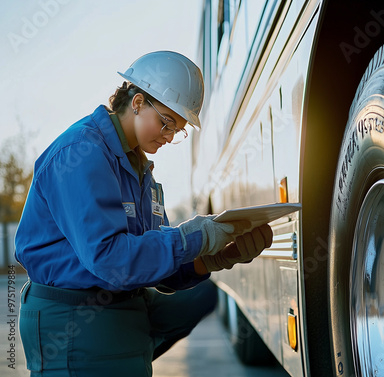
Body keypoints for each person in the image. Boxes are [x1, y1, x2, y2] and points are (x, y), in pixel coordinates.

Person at [14, 51, 273, 377]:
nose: (168, 136)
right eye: (166, 122)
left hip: (119, 309)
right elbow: (111, 260)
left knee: (205, 296)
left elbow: (150, 262)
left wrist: (215, 258)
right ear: (136, 102)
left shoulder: (141, 171)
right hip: (74, 319)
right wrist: (191, 237)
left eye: (177, 130)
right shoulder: (81, 154)